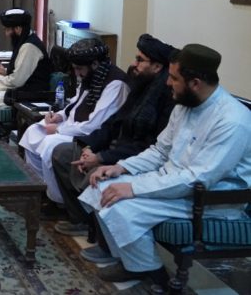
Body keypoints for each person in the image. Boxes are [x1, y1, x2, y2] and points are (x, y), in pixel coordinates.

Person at [78, 44, 251, 287]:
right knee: (101, 184)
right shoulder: (184, 106)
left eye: (174, 78)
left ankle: (151, 272)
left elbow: (197, 178)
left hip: (210, 199)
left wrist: (133, 188)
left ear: (195, 83)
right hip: (174, 183)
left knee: (120, 203)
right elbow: (160, 151)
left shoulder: (232, 121)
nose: (168, 83)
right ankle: (137, 263)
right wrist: (122, 167)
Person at [50, 34, 175, 262]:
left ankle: (109, 245)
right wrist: (90, 146)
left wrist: (102, 157)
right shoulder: (140, 85)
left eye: (140, 60)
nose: (133, 64)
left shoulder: (167, 97)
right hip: (114, 147)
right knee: (62, 153)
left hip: (134, 156)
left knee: (99, 175)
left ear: (157, 67)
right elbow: (114, 122)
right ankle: (81, 219)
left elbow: (148, 145)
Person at [20, 38, 129, 204]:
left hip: (89, 136)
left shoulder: (116, 84)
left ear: (94, 64)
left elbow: (94, 125)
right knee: (33, 132)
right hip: (71, 126)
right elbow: (75, 103)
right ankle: (40, 189)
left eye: (79, 69)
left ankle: (58, 200)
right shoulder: (91, 76)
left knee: (50, 143)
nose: (77, 73)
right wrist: (59, 116)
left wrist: (58, 130)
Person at [0, 8, 53, 123]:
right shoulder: (24, 41)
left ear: (18, 28)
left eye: (7, 30)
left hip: (26, 93)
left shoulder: (29, 47)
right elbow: (21, 72)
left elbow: (17, 81)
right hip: (16, 88)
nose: (6, 34)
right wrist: (5, 71)